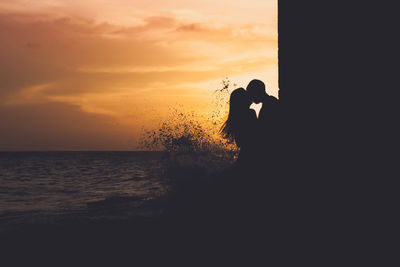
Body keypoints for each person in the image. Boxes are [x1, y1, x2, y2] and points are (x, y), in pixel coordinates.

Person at [220, 88, 257, 167]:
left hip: (243, 155)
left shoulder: (235, 118)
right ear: (243, 100)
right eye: (247, 95)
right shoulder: (250, 113)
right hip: (251, 156)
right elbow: (257, 134)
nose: (249, 96)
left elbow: (239, 143)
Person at [246, 79, 280, 165]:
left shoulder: (270, 104)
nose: (251, 98)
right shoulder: (270, 102)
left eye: (251, 94)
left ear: (257, 92)